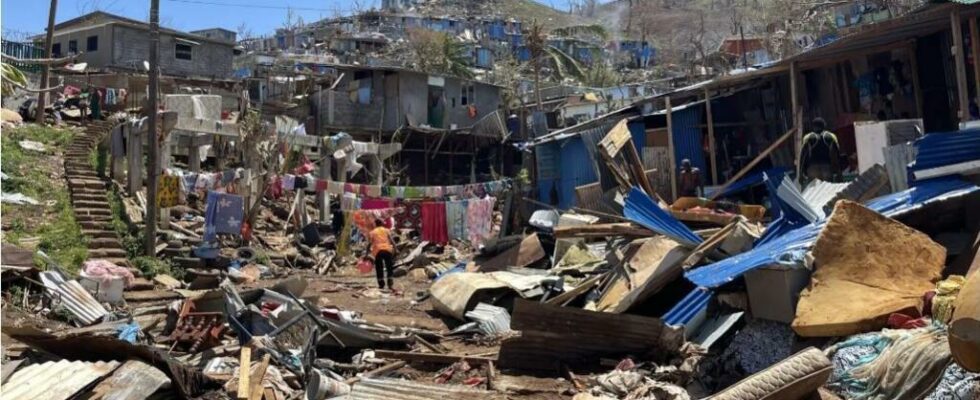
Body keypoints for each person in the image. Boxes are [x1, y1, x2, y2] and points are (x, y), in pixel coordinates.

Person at [801, 118, 841, 182]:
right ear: (824, 125)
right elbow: (836, 155)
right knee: (827, 190)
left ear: (813, 126)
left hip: (812, 168)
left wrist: (801, 173)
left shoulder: (808, 137)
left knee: (815, 190)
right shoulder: (830, 136)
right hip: (826, 167)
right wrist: (839, 172)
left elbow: (803, 156)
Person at [368, 219, 395, 289]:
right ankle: (390, 281)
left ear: (375, 224)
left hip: (378, 251)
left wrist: (366, 253)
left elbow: (369, 244)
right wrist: (396, 248)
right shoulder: (386, 230)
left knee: (379, 267)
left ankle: (381, 283)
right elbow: (391, 240)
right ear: (382, 223)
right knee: (389, 266)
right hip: (387, 249)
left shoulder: (372, 232)